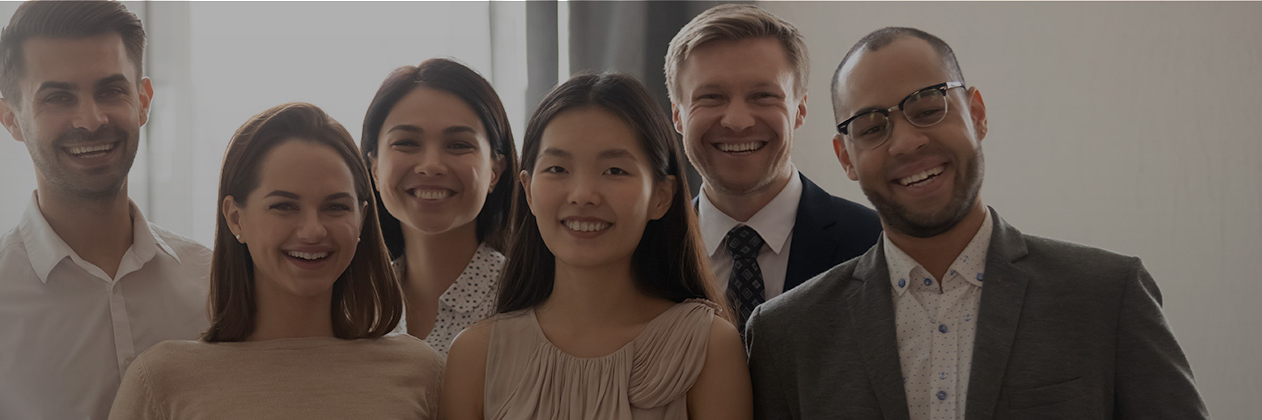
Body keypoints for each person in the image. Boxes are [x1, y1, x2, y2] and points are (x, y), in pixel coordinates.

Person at [745, 27, 1207, 419]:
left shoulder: (1108, 297)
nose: (906, 143)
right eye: (872, 127)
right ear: (846, 157)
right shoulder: (787, 333)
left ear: (978, 115)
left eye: (927, 109)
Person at [0, 2, 212, 419]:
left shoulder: (212, 286)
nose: (91, 120)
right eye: (58, 97)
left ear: (143, 100)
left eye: (111, 91)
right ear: (11, 120)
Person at [442, 73, 751, 419]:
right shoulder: (475, 355)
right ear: (527, 191)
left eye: (614, 171)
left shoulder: (708, 346)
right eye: (557, 168)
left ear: (661, 196)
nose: (583, 195)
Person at [108, 102, 444, 419]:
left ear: (362, 219)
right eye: (284, 206)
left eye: (336, 206)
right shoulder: (162, 381)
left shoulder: (423, 374)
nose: (313, 230)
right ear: (235, 218)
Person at [663, 4, 880, 328]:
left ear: (800, 109)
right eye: (711, 97)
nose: (737, 121)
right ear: (678, 115)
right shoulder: (648, 256)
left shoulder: (876, 244)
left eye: (763, 95)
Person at [359, 58, 520, 354]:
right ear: (375, 168)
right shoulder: (355, 304)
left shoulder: (526, 304)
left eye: (459, 145)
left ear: (495, 171)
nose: (431, 165)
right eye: (406, 143)